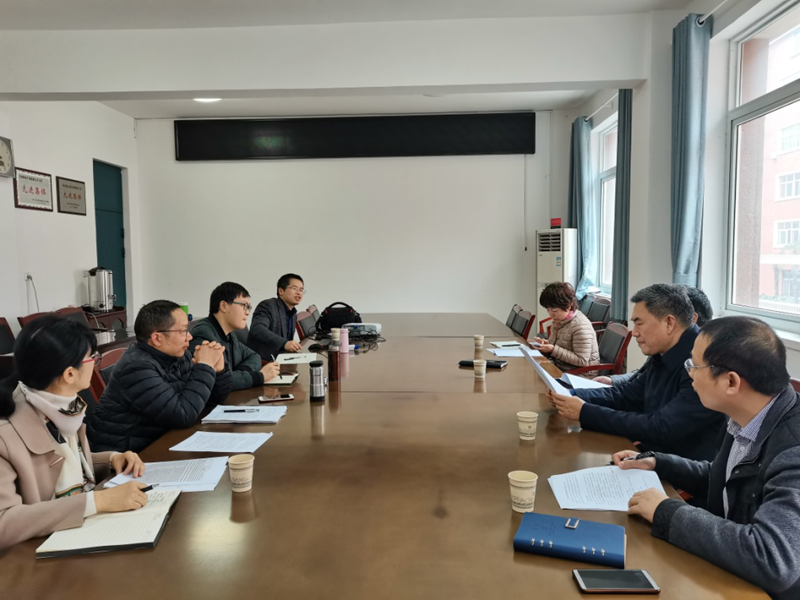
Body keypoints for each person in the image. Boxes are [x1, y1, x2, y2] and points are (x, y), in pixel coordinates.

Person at [617, 316, 800, 599]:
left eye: (695, 365)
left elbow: (773, 559)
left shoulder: (793, 451)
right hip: (727, 573)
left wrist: (666, 511)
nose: (689, 373)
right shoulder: (746, 415)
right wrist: (659, 462)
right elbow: (726, 478)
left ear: (731, 382)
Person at [0, 315, 148, 551]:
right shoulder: (6, 434)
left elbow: (62, 463)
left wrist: (112, 459)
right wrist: (95, 501)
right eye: (93, 358)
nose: (95, 363)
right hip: (31, 558)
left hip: (71, 537)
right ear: (69, 374)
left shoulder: (63, 408)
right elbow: (4, 523)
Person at [547, 283, 724, 460]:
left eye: (639, 323)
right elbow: (627, 396)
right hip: (651, 455)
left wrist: (584, 411)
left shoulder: (702, 363)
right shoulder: (664, 352)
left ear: (669, 323)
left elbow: (662, 428)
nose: (634, 333)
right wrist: (570, 394)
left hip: (678, 466)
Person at [88, 300, 232, 453]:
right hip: (128, 455)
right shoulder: (136, 368)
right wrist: (205, 367)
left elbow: (210, 401)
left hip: (162, 440)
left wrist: (218, 371)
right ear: (157, 338)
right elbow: (183, 415)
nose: (189, 337)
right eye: (183, 331)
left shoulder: (177, 355)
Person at [596, 286, 713, 386]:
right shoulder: (665, 346)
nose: (635, 332)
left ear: (692, 319)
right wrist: (613, 380)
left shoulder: (698, 366)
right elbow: (644, 375)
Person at [189, 282, 279, 390]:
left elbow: (254, 356)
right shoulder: (203, 337)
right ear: (224, 306)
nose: (247, 312)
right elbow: (213, 382)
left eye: (249, 307)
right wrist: (259, 377)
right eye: (244, 306)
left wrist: (239, 374)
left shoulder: (230, 335)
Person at [530, 282, 599, 371]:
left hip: (580, 374)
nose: (551, 314)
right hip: (560, 367)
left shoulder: (581, 326)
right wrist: (545, 344)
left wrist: (553, 349)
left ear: (568, 306)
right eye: (548, 310)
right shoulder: (560, 320)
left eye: (554, 310)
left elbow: (582, 361)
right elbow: (563, 346)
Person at [248, 273, 305, 360]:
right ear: (281, 291)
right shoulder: (268, 305)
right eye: (294, 288)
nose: (299, 293)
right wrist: (284, 343)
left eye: (301, 290)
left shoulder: (293, 313)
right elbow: (257, 328)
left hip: (282, 358)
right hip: (264, 360)